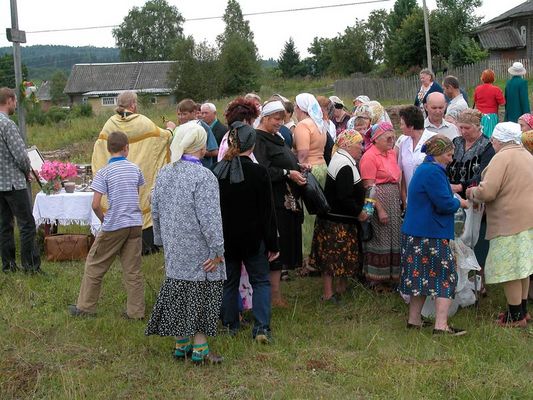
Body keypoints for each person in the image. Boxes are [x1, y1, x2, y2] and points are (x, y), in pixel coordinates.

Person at [145, 122, 225, 364]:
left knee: (179, 292)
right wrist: (218, 251)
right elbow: (210, 219)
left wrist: (161, 240)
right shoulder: (204, 176)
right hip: (200, 247)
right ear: (200, 146)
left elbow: (154, 209)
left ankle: (181, 345)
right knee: (201, 295)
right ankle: (200, 349)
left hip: (175, 246)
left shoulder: (165, 172)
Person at [213, 122, 279, 343]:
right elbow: (267, 212)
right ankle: (261, 328)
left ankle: (230, 325)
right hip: (253, 239)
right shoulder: (258, 172)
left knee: (228, 282)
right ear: (252, 143)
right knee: (260, 281)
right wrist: (273, 244)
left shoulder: (217, 171)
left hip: (226, 239)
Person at [69, 131, 145, 319]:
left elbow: (95, 204)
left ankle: (86, 307)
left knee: (95, 264)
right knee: (133, 270)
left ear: (108, 149)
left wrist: (103, 219)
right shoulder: (135, 169)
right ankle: (136, 312)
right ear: (126, 148)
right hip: (135, 224)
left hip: (115, 224)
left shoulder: (104, 172)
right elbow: (134, 195)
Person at [400, 134, 469, 335]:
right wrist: (460, 202)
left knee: (419, 277)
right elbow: (445, 203)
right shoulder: (433, 173)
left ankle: (414, 321)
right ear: (438, 153)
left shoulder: (424, 169)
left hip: (416, 232)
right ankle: (441, 325)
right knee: (445, 277)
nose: (451, 159)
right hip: (430, 234)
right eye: (448, 154)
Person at [466, 122, 533, 327]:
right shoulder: (527, 155)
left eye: (493, 139)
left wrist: (472, 193)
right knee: (523, 268)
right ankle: (522, 311)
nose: (492, 143)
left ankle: (515, 317)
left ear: (500, 140)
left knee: (511, 270)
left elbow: (489, 191)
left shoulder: (502, 157)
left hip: (508, 221)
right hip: (527, 220)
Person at [92, 90, 172, 255]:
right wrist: (170, 129)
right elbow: (163, 138)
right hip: (139, 173)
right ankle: (146, 245)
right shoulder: (143, 122)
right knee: (141, 203)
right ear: (133, 105)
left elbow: (99, 149)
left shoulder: (109, 124)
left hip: (115, 174)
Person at [255, 100, 306, 307]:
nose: (279, 123)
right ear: (265, 118)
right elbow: (263, 170)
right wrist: (287, 172)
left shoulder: (275, 136)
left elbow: (284, 159)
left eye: (282, 119)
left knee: (283, 244)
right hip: (273, 201)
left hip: (285, 198)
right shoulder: (259, 139)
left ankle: (276, 293)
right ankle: (273, 296)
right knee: (274, 246)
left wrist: (298, 166)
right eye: (276, 119)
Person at [308, 130, 367, 303]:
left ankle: (340, 289)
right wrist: (359, 212)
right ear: (347, 145)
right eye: (359, 144)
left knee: (337, 257)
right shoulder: (344, 165)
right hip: (337, 221)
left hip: (337, 219)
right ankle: (328, 294)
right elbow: (344, 196)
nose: (362, 148)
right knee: (331, 258)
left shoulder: (342, 159)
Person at [0, 87, 41, 273]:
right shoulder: (7, 125)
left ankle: (8, 266)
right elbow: (21, 156)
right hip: (13, 183)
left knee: (4, 225)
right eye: (15, 101)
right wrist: (27, 172)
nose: (16, 104)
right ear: (9, 100)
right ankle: (30, 266)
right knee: (26, 224)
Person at [448, 109, 495, 270]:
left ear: (478, 127)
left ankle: (476, 273)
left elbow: (484, 172)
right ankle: (457, 271)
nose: (463, 131)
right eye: (460, 127)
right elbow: (446, 162)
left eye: (467, 128)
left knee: (471, 236)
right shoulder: (456, 142)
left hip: (472, 197)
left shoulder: (487, 146)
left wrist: (462, 185)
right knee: (454, 235)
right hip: (452, 196)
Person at [360, 122, 402, 289]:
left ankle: (392, 275)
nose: (392, 140)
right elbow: (369, 187)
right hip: (379, 200)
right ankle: (376, 278)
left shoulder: (391, 153)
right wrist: (380, 209)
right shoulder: (369, 157)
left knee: (393, 236)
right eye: (388, 138)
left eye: (393, 137)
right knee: (380, 237)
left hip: (393, 198)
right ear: (376, 139)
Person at [398, 105, 436, 206]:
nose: (400, 127)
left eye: (402, 124)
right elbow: (403, 174)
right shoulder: (403, 142)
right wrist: (404, 197)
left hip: (429, 199)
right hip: (410, 200)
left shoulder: (433, 140)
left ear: (411, 126)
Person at [168, 99, 218, 168]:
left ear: (194, 112)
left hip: (201, 168)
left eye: (184, 114)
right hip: (181, 168)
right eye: (179, 114)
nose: (181, 117)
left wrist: (194, 151)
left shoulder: (202, 127)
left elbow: (214, 151)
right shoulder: (178, 129)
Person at [217, 97, 260, 162]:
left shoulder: (230, 136)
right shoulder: (238, 142)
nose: (252, 126)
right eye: (252, 122)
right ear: (245, 121)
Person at [473, 69, 505, 137]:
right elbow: (502, 103)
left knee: (480, 135)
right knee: (491, 136)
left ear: (482, 78)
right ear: (493, 78)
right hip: (491, 116)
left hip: (479, 115)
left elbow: (475, 101)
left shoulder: (477, 89)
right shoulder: (496, 89)